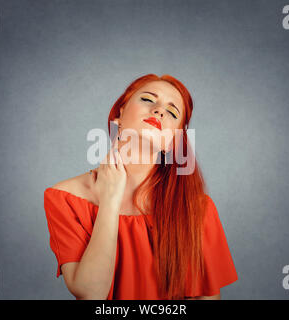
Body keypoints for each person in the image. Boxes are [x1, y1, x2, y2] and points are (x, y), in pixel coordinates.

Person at [44, 74, 238, 300]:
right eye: (148, 100)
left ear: (173, 143)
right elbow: (91, 294)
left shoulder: (198, 208)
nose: (159, 111)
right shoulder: (64, 197)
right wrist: (110, 200)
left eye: (172, 112)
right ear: (119, 114)